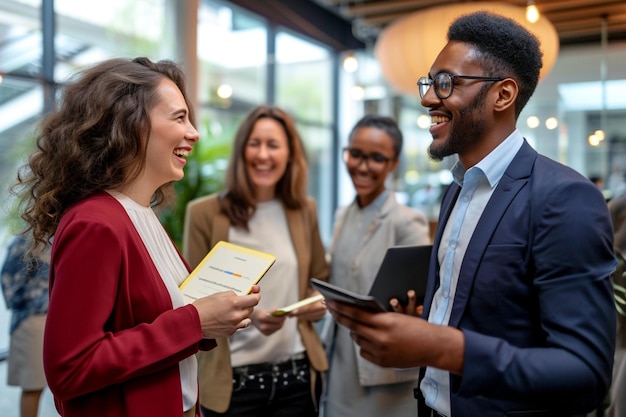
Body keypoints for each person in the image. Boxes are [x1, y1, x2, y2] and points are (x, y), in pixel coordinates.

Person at [325, 11, 617, 417]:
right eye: (429, 83)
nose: (428, 98)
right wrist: (417, 330)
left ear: (503, 95)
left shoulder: (565, 198)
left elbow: (586, 373)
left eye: (446, 83)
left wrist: (440, 346)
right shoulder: (456, 190)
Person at [11, 57, 261, 417]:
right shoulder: (96, 223)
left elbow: (155, 322)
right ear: (132, 125)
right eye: (179, 117)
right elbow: (69, 369)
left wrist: (216, 315)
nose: (194, 132)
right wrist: (195, 321)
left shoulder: (142, 214)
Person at [183, 105, 329, 417]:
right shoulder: (204, 214)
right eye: (255, 143)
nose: (263, 155)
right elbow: (191, 304)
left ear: (289, 154)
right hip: (233, 385)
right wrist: (252, 317)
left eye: (273, 145)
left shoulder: (305, 211)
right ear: (241, 151)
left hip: (297, 380)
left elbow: (320, 282)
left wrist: (316, 304)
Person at [322, 114, 430, 417]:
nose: (362, 166)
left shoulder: (407, 221)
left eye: (377, 158)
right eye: (355, 154)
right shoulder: (342, 215)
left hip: (384, 368)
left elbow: (417, 299)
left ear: (394, 163)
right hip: (340, 357)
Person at [1, 234, 49, 417]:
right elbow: (9, 285)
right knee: (33, 386)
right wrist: (40, 299)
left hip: (51, 317)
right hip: (32, 318)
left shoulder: (58, 235)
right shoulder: (26, 241)